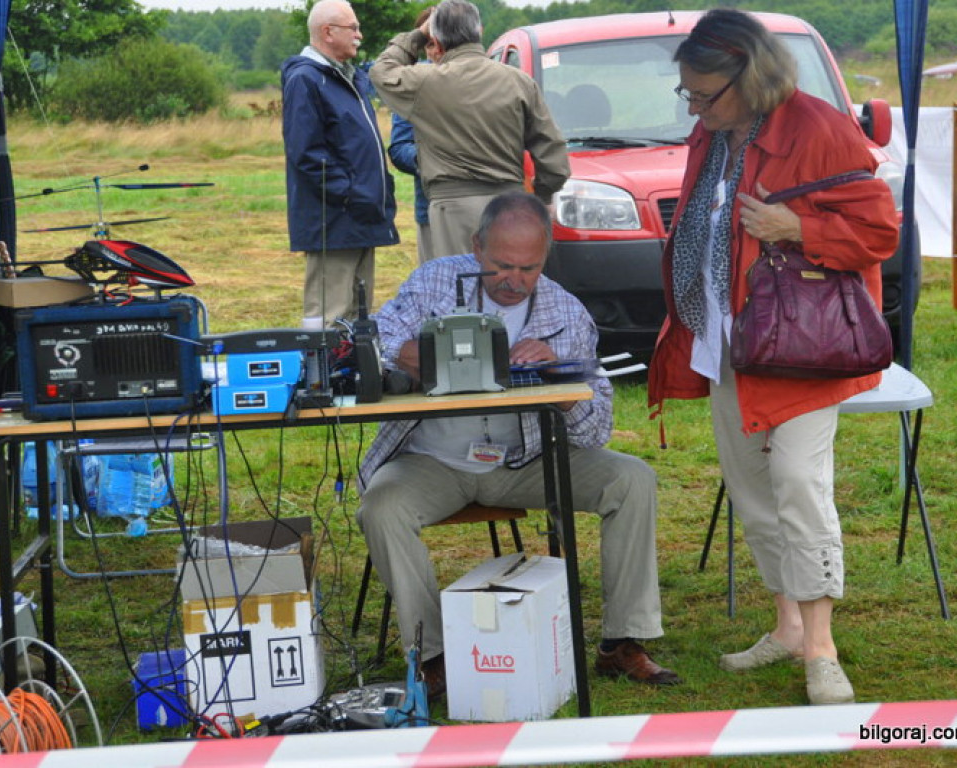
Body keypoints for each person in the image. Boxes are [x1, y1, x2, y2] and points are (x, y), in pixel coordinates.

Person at [647, 9, 899, 706]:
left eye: (703, 95)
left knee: (796, 481)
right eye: (688, 96)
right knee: (753, 489)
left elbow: (879, 229)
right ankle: (787, 625)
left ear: (748, 77)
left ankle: (821, 647)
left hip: (800, 347)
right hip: (727, 341)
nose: (693, 109)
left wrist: (801, 227)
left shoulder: (818, 128)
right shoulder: (716, 131)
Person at [358, 191, 680, 700]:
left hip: (524, 460)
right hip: (432, 460)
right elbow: (374, 336)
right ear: (476, 247)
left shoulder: (566, 312)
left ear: (545, 257)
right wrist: (412, 355)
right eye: (502, 265)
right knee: (382, 506)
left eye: (529, 268)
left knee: (631, 478)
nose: (514, 280)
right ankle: (436, 657)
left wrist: (558, 374)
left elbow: (593, 431)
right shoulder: (437, 280)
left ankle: (623, 640)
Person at [369, 0, 569, 262]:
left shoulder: (425, 82)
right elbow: (553, 157)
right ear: (480, 31)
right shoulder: (519, 82)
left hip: (451, 208)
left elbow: (382, 70)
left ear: (436, 40)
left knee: (457, 291)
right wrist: (541, 196)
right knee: (508, 291)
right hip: (509, 204)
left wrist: (417, 36)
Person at [281, 0, 399, 328]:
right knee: (329, 316)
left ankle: (355, 375)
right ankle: (324, 377)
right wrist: (348, 194)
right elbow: (306, 154)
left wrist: (376, 192)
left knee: (359, 313)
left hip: (360, 215)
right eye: (353, 28)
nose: (359, 35)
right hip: (333, 220)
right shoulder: (306, 80)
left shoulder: (348, 78)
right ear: (327, 32)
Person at [387, 112, 431, 263]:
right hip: (433, 210)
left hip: (496, 206)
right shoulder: (414, 90)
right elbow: (399, 148)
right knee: (437, 282)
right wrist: (431, 159)